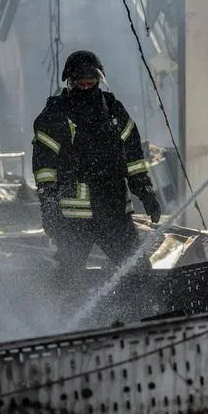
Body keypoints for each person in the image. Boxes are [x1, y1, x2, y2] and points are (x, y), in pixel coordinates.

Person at [32, 50, 162, 277]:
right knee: (68, 277)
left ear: (98, 81)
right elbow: (44, 165)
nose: (84, 89)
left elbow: (133, 157)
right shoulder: (56, 114)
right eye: (79, 84)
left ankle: (140, 311)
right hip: (74, 218)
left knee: (138, 272)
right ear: (70, 83)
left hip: (113, 211)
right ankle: (58, 312)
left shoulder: (114, 110)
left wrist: (146, 192)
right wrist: (49, 204)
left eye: (89, 83)